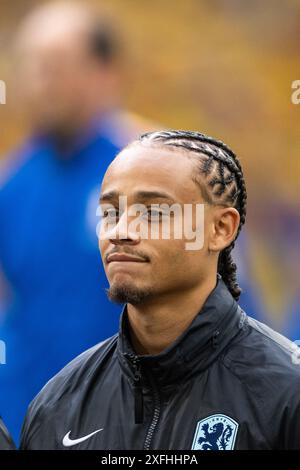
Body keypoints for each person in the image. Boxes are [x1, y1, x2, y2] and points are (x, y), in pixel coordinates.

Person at [20, 130, 300, 450]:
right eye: (110, 213)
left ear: (220, 229)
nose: (121, 231)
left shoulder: (287, 394)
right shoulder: (58, 405)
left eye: (154, 213)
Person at [0, 1, 150, 443]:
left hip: (127, 425)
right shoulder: (13, 183)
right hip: (26, 417)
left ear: (105, 72)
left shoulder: (153, 171)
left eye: (56, 66)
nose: (40, 82)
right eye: (31, 66)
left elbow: (226, 304)